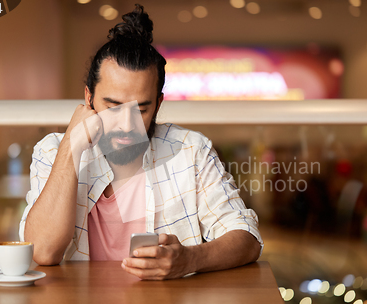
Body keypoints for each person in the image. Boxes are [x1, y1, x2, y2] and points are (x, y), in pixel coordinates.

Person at [19, 4, 262, 280]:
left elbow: (247, 238)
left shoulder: (192, 151)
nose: (126, 123)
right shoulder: (52, 151)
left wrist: (190, 259)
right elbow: (42, 251)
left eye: (140, 109)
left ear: (158, 104)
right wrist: (71, 148)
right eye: (112, 106)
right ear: (88, 98)